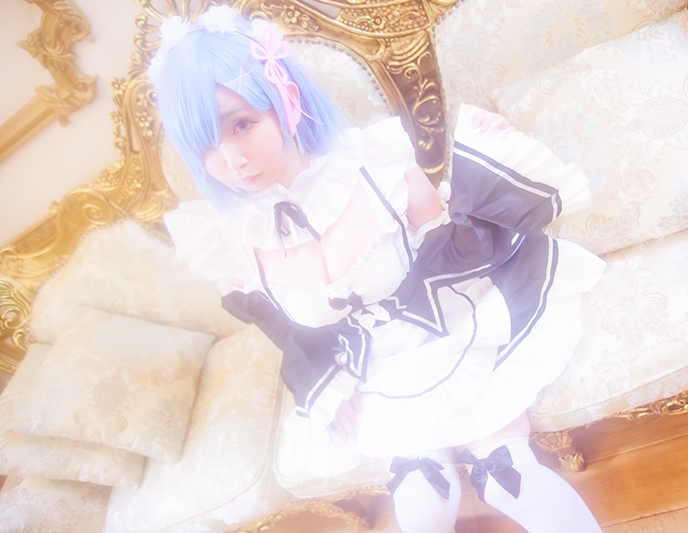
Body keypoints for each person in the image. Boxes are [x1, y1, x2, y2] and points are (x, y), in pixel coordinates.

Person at [158, 6, 605, 532]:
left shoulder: (377, 161)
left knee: (508, 477)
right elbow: (285, 327)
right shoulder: (231, 241)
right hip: (374, 373)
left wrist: (489, 155)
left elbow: (453, 241)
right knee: (420, 502)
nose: (231, 159)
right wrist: (325, 384)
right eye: (205, 145)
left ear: (286, 99)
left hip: (451, 329)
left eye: (242, 124)